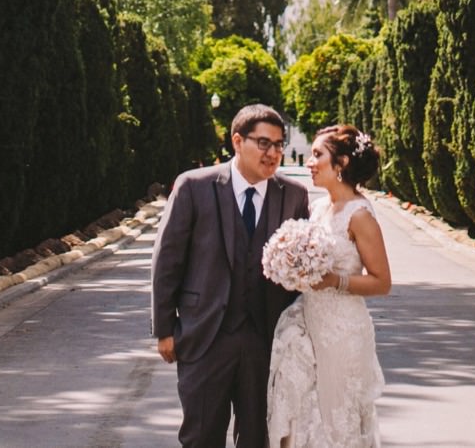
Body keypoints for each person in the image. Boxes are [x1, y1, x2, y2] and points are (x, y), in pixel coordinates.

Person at [152, 104, 313, 448]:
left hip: (266, 339)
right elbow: (168, 261)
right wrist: (164, 329)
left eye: (279, 145)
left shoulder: (294, 196)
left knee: (258, 438)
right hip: (205, 334)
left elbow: (300, 271)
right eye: (264, 143)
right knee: (201, 436)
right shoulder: (194, 186)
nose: (273, 153)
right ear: (237, 141)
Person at [266, 124, 390, 448]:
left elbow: (382, 281)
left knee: (336, 418)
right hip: (307, 322)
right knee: (299, 408)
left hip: (342, 331)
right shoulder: (319, 208)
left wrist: (336, 281)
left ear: (342, 163)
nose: (310, 161)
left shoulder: (359, 215)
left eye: (318, 154)